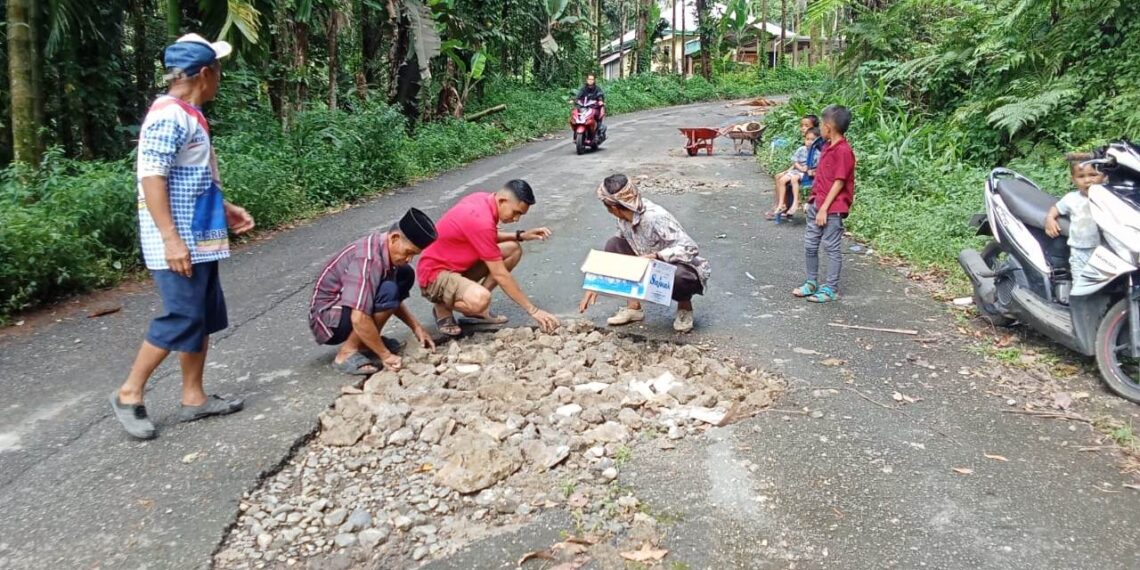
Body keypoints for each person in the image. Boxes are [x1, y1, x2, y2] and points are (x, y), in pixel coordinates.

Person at [110, 34, 255, 440]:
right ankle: (129, 392)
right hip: (177, 241)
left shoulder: (188, 114)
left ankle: (194, 397)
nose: (220, 79)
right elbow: (151, 177)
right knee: (183, 316)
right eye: (218, 70)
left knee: (202, 317)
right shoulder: (168, 116)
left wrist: (224, 208)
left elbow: (187, 178)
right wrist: (172, 240)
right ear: (206, 73)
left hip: (200, 234)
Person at [418, 180, 561, 336]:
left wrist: (520, 235)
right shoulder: (480, 219)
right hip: (435, 276)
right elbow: (500, 274)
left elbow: (487, 235)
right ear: (502, 201)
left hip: (456, 267)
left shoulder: (482, 199)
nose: (516, 219)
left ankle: (473, 308)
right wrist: (533, 310)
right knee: (480, 299)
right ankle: (443, 307)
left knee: (512, 249)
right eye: (516, 212)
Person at [309, 209, 439, 375]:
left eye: (414, 255)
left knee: (405, 273)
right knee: (389, 289)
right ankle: (347, 353)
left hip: (347, 307)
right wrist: (385, 356)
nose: (409, 259)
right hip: (328, 319)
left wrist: (416, 327)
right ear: (394, 238)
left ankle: (365, 343)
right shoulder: (369, 259)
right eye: (408, 252)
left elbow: (393, 302)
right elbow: (359, 316)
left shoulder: (385, 250)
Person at [579, 174, 711, 333]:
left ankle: (684, 308)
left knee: (680, 277)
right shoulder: (622, 218)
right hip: (645, 261)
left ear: (613, 207)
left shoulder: (654, 217)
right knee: (613, 245)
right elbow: (618, 248)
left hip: (677, 266)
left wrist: (657, 256)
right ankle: (633, 307)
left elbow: (690, 248)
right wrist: (596, 281)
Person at [792, 105, 856, 304]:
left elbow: (839, 181)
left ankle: (830, 288)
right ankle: (811, 282)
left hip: (831, 209)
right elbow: (821, 176)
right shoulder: (826, 147)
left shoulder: (844, 151)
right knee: (810, 245)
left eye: (823, 125)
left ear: (829, 126)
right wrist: (813, 202)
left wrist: (824, 209)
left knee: (831, 248)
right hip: (816, 204)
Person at [1045, 160, 1106, 278]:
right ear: (1073, 180)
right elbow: (1056, 208)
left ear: (1104, 176)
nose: (1087, 180)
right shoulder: (1071, 199)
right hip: (1079, 251)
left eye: (1093, 175)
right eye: (1081, 176)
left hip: (1103, 250)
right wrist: (1050, 219)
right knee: (1080, 284)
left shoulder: (1108, 197)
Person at [766, 115, 819, 219]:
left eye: (806, 125)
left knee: (783, 178)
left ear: (814, 128)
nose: (803, 128)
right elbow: (797, 160)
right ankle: (781, 205)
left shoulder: (815, 143)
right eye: (802, 125)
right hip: (798, 169)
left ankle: (784, 207)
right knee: (778, 176)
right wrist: (787, 170)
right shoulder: (804, 143)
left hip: (807, 173)